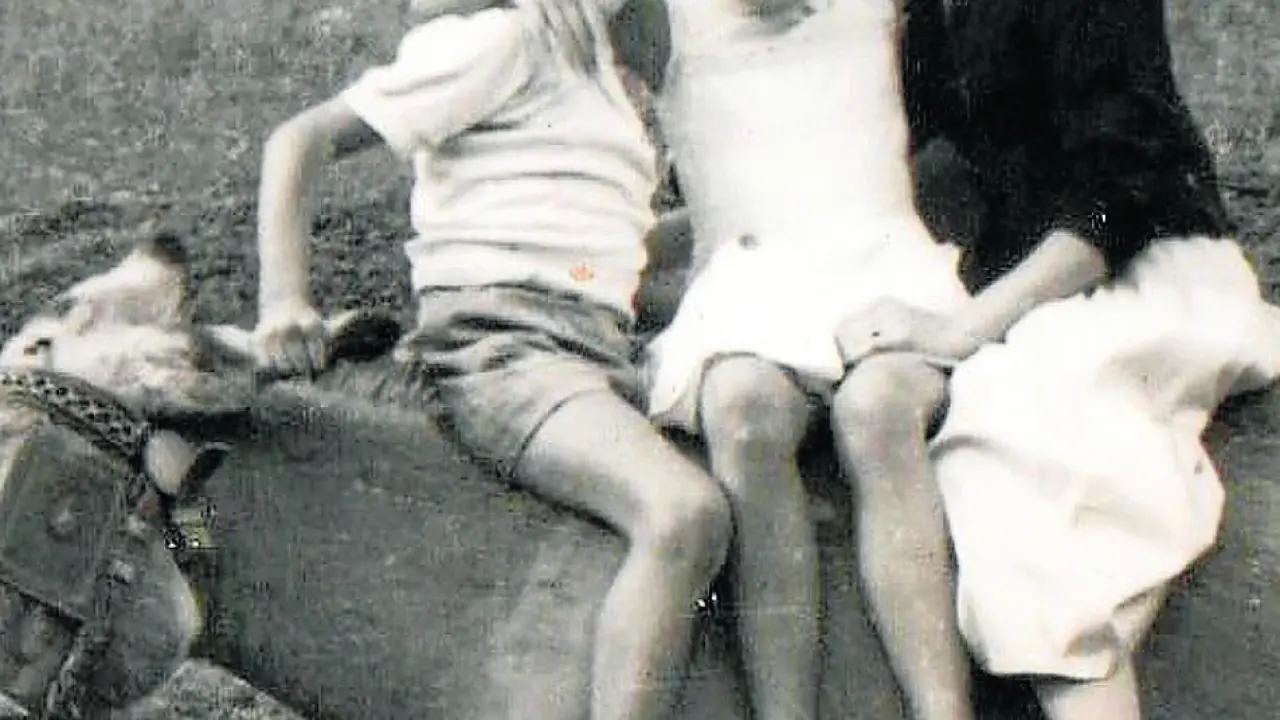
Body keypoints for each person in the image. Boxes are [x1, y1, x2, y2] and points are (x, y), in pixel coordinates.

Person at [249, 1, 734, 718]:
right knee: (683, 513)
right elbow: (300, 139)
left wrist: (744, 223)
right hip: (502, 349)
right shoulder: (505, 38)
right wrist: (284, 299)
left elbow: (593, 247)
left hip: (585, 350)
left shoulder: (602, 82)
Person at [836, 0, 1280, 717]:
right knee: (1000, 447)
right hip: (1039, 288)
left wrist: (963, 330)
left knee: (1022, 439)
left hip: (1153, 272)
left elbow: (1116, 201)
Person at [640, 1, 976, 718]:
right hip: (747, 284)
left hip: (888, 269)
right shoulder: (661, 17)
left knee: (880, 413)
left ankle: (943, 710)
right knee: (743, 410)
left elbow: (953, 123)